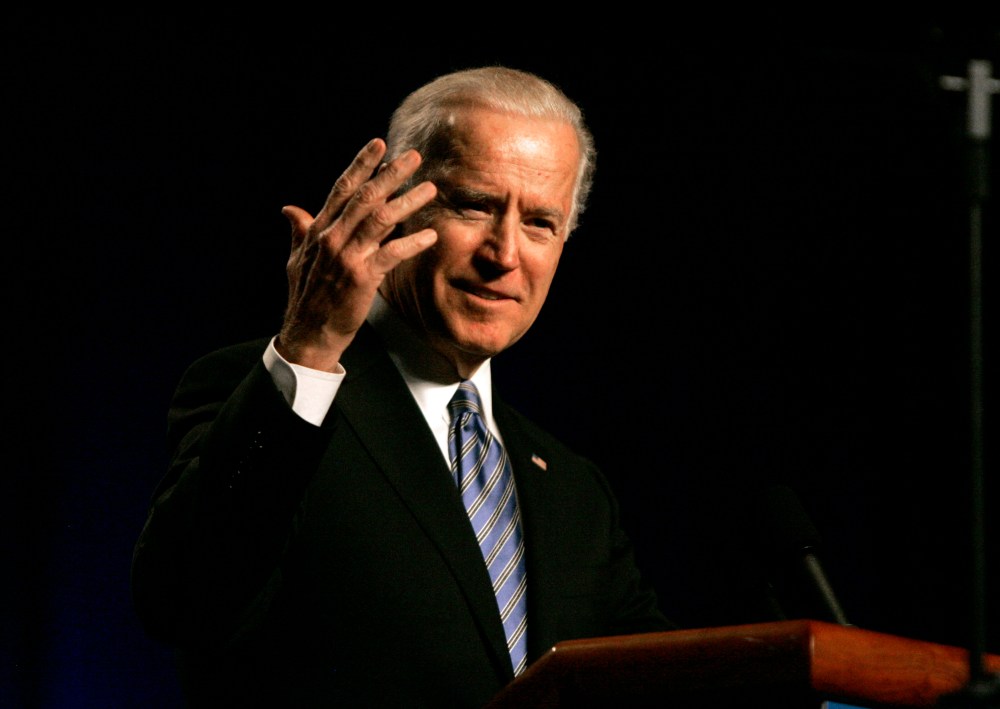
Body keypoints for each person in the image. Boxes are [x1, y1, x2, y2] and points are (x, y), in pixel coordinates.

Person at [131, 65, 676, 708]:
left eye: (539, 223)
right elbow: (185, 605)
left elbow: (668, 682)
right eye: (474, 204)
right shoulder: (272, 395)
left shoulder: (576, 492)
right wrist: (310, 347)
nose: (504, 254)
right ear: (391, 206)